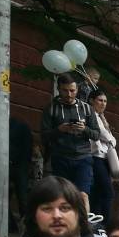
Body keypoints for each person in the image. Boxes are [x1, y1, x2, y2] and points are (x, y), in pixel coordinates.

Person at [40, 74, 100, 211]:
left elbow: (96, 135)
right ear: (58, 89)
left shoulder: (86, 109)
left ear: (77, 90)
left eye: (72, 91)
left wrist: (84, 129)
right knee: (62, 196)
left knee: (82, 195)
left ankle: (84, 229)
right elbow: (44, 136)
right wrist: (59, 129)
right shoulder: (51, 108)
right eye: (65, 90)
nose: (69, 94)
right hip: (61, 157)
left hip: (83, 157)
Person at [86, 89, 117, 224]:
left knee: (98, 192)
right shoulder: (90, 114)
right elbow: (106, 136)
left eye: (105, 101)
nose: (103, 103)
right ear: (92, 100)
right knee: (107, 192)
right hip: (96, 156)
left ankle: (96, 222)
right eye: (100, 100)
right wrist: (110, 139)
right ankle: (106, 224)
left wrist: (110, 139)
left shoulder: (101, 117)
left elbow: (112, 139)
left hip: (105, 158)